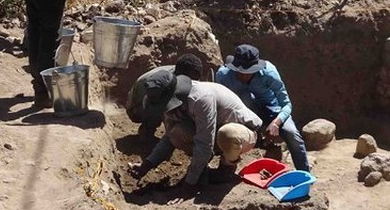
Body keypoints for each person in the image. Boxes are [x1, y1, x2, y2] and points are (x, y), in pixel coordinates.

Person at [130, 71, 261, 190]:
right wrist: (147, 164)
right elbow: (170, 137)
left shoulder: (200, 99)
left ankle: (226, 170)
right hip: (213, 133)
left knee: (227, 135)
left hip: (243, 133)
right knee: (177, 132)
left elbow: (204, 143)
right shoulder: (171, 102)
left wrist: (189, 184)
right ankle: (202, 169)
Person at [216, 44, 310, 172]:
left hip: (272, 110)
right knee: (228, 133)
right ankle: (227, 166)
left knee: (292, 133)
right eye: (240, 72)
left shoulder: (269, 73)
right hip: (244, 112)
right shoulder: (223, 76)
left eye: (248, 73)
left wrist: (276, 123)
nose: (243, 76)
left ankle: (304, 173)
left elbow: (287, 104)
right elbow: (221, 104)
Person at [127, 54, 205, 135]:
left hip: (146, 100)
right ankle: (147, 130)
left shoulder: (182, 69)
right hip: (136, 108)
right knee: (169, 104)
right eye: (192, 79)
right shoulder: (167, 81)